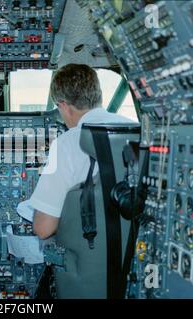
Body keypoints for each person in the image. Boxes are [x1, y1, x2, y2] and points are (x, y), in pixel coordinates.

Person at [30, 64, 132, 239]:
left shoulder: (67, 143)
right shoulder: (135, 129)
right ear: (98, 95)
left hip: (88, 251)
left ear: (64, 105)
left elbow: (43, 229)